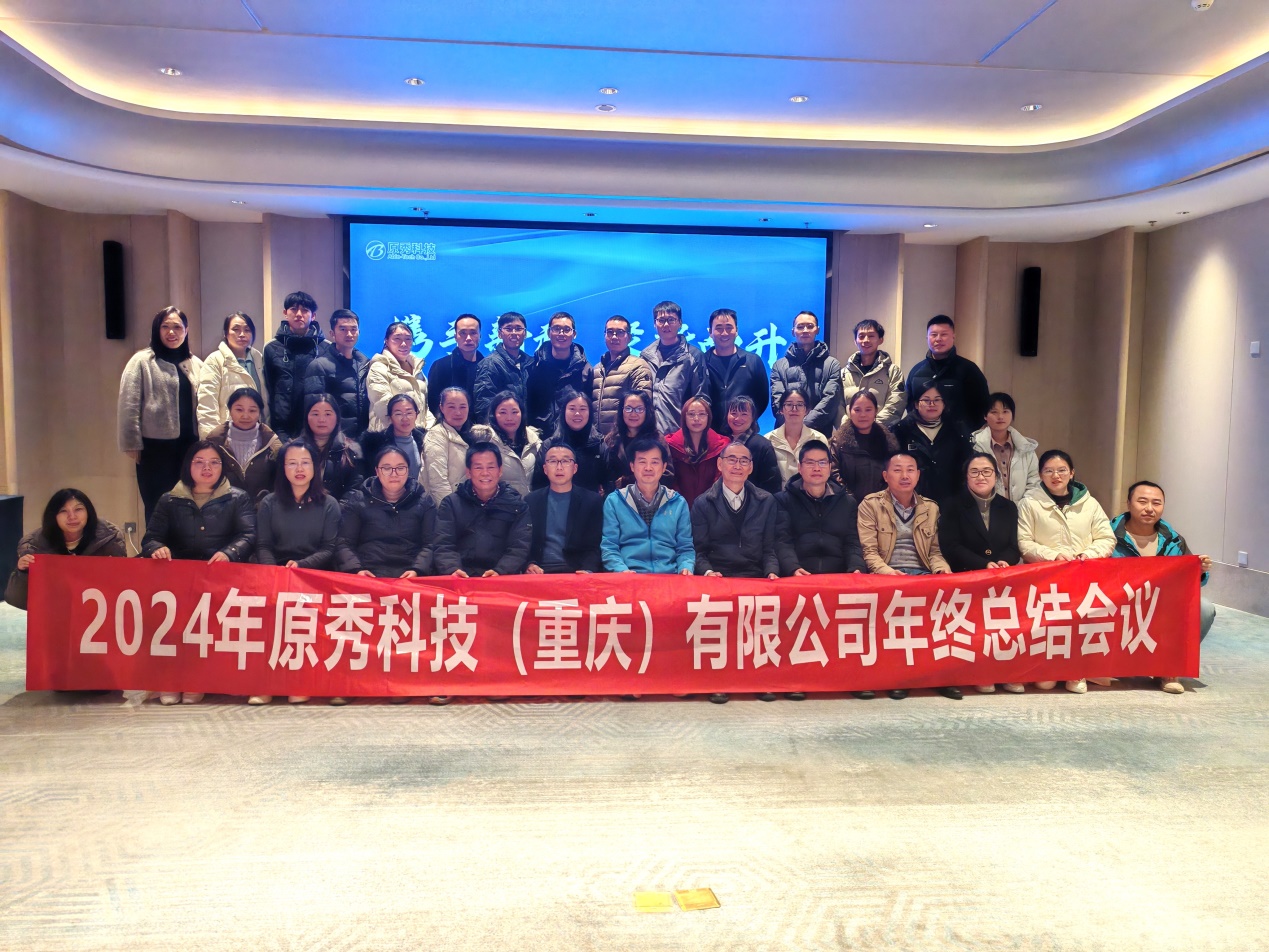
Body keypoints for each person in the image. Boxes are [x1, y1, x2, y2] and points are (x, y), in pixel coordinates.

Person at [142, 441, 256, 704]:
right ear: (188, 466)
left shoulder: (237, 497)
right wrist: (157, 548)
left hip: (221, 578)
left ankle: (197, 680)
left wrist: (230, 552)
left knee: (206, 633)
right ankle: (171, 681)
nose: (207, 468)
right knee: (172, 629)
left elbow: (249, 535)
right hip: (178, 579)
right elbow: (151, 538)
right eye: (200, 462)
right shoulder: (169, 499)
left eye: (214, 462)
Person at [857, 453, 960, 700]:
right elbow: (869, 552)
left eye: (910, 470)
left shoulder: (930, 508)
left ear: (918, 475)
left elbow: (934, 552)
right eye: (897, 470)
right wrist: (889, 573)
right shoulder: (870, 505)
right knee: (898, 619)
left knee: (947, 609)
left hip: (922, 575)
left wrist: (942, 570)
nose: (905, 476)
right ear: (885, 476)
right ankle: (899, 677)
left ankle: (942, 677)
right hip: (887, 575)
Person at [1017, 449, 1116, 694]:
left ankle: (1076, 671)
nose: (1056, 476)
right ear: (1040, 474)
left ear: (1072, 473)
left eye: (1062, 470)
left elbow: (1106, 537)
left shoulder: (1089, 503)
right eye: (1049, 471)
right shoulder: (1029, 503)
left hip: (1084, 576)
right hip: (1046, 578)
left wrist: (1087, 555)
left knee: (1080, 626)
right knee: (1049, 628)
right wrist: (1053, 556)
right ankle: (1047, 670)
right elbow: (1024, 542)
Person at [251, 440, 341, 706]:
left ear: (316, 467)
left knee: (304, 616)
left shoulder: (329, 504)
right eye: (292, 463)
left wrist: (302, 567)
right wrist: (275, 573)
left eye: (305, 463)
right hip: (277, 574)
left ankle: (300, 682)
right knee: (269, 614)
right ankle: (267, 684)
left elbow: (330, 548)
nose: (299, 469)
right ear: (283, 468)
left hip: (314, 576)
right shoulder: (269, 503)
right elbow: (263, 545)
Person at [691, 438, 780, 704]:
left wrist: (772, 572)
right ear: (720, 464)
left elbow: (770, 548)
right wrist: (708, 573)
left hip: (754, 576)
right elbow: (699, 551)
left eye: (743, 461)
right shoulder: (703, 503)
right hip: (718, 578)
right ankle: (720, 681)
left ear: (751, 467)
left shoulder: (766, 501)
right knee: (720, 624)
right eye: (731, 460)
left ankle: (760, 679)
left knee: (763, 621)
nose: (737, 466)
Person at [1110, 480, 1216, 695]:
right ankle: (1111, 664)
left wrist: (1199, 570)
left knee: (1205, 608)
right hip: (1119, 604)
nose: (1149, 508)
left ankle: (1167, 668)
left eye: (1156, 503)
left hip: (1161, 605)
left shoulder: (1173, 539)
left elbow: (1190, 582)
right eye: (1142, 501)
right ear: (1128, 503)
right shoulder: (1107, 536)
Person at [938, 453, 1023, 695]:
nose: (981, 477)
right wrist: (984, 564)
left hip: (1002, 578)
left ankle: (1005, 673)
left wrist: (1004, 562)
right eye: (974, 472)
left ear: (996, 476)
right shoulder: (952, 505)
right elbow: (951, 546)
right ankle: (981, 674)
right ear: (966, 477)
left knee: (1003, 629)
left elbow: (1014, 545)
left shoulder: (1008, 507)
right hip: (967, 577)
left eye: (987, 471)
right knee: (974, 631)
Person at [117, 306, 204, 521]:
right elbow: (129, 404)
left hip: (189, 447)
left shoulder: (195, 364)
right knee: (158, 507)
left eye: (177, 327)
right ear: (157, 330)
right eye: (165, 327)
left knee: (189, 506)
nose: (171, 332)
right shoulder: (141, 361)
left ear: (186, 330)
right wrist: (132, 444)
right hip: (155, 450)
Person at [5, 489, 126, 611]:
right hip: (57, 613)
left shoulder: (110, 538)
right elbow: (17, 601)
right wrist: (22, 573)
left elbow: (121, 587)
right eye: (63, 511)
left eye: (78, 509)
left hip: (98, 610)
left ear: (88, 512)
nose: (72, 517)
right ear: (53, 516)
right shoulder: (34, 545)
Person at [335, 445, 436, 579]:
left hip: (410, 576)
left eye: (400, 468)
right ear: (377, 471)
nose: (394, 474)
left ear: (408, 470)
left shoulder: (424, 502)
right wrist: (356, 569)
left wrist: (418, 570)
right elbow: (344, 542)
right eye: (387, 468)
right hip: (368, 574)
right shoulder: (358, 500)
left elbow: (431, 544)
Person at [600, 436, 696, 576]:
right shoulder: (615, 501)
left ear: (664, 467)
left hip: (669, 577)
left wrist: (685, 567)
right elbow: (610, 546)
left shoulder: (677, 502)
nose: (648, 468)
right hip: (629, 576)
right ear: (632, 466)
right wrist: (622, 570)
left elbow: (685, 547)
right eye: (642, 462)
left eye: (655, 462)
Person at [434, 442, 532, 578]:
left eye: (491, 467)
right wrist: (452, 569)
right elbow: (443, 544)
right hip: (461, 577)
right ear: (468, 472)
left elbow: (519, 546)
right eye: (478, 467)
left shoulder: (517, 505)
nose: (485, 473)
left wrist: (501, 570)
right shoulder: (451, 504)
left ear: (500, 470)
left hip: (502, 578)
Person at [775, 442, 865, 577]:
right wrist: (792, 568)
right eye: (810, 463)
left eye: (822, 463)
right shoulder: (783, 500)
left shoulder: (848, 503)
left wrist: (856, 567)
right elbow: (782, 541)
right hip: (798, 576)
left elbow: (852, 543)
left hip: (838, 576)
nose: (816, 468)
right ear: (799, 468)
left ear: (829, 467)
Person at [526, 442, 604, 574]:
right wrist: (529, 564)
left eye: (565, 461)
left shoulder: (591, 501)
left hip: (576, 572)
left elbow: (594, 546)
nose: (559, 467)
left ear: (575, 468)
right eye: (553, 461)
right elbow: (525, 542)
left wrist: (588, 569)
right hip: (539, 572)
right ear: (545, 469)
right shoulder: (531, 501)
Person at [891, 382, 973, 505]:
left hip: (952, 501)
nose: (932, 404)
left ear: (944, 404)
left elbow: (966, 465)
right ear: (916, 404)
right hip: (912, 501)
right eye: (926, 400)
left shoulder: (957, 430)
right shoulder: (901, 431)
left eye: (937, 400)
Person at [904, 315, 991, 431]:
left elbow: (983, 406)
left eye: (944, 334)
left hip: (960, 437)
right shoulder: (916, 371)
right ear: (927, 337)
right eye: (934, 335)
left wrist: (965, 432)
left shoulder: (969, 369)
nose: (938, 339)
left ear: (953, 336)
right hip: (923, 435)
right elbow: (909, 404)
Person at [262, 291, 325, 440]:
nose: (299, 314)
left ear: (313, 316)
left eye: (305, 310)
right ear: (285, 313)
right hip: (281, 428)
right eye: (294, 309)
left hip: (316, 426)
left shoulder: (325, 348)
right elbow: (268, 388)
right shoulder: (271, 347)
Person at [770, 310, 841, 437]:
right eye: (800, 327)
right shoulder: (779, 366)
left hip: (819, 434)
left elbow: (830, 401)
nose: (805, 330)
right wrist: (794, 426)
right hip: (785, 435)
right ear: (793, 331)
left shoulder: (832, 364)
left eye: (810, 326)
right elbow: (778, 402)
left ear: (817, 330)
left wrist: (803, 426)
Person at [205, 387, 282, 506]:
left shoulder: (272, 444)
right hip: (223, 510)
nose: (245, 416)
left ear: (259, 412)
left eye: (252, 410)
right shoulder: (214, 442)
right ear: (230, 410)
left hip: (263, 510)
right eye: (239, 409)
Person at [196, 311, 267, 437]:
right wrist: (212, 439)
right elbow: (207, 404)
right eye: (236, 329)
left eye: (247, 330)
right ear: (226, 333)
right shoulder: (215, 360)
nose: (242, 334)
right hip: (227, 434)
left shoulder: (258, 358)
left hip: (256, 434)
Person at [640, 300, 706, 436]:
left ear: (680, 323)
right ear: (654, 324)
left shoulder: (693, 356)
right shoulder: (645, 356)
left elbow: (701, 398)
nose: (666, 325)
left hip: (679, 435)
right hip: (647, 434)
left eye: (671, 320)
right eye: (661, 320)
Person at [303, 307, 369, 440]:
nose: (349, 334)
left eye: (353, 329)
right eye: (343, 329)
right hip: (334, 441)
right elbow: (314, 411)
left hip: (362, 440)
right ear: (332, 333)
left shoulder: (365, 364)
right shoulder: (319, 366)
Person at [702, 308, 769, 434]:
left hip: (745, 433)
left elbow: (762, 399)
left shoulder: (752, 361)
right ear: (710, 332)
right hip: (710, 435)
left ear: (736, 330)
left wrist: (744, 421)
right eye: (719, 328)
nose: (724, 333)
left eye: (729, 328)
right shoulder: (701, 362)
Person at [526, 311, 593, 434]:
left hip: (573, 436)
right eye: (556, 329)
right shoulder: (535, 366)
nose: (561, 334)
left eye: (566, 329)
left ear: (574, 334)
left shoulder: (585, 369)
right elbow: (528, 404)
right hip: (540, 436)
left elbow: (590, 408)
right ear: (549, 333)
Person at [971, 392, 1041, 503]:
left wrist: (1023, 507)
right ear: (985, 416)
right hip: (986, 509)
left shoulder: (1025, 447)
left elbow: (1034, 481)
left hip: (1022, 510)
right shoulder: (974, 446)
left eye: (1005, 411)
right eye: (994, 412)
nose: (1000, 417)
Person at [830, 390, 900, 502]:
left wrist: (878, 502)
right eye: (857, 410)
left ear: (876, 411)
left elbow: (894, 473)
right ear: (849, 411)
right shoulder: (838, 441)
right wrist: (849, 500)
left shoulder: (888, 441)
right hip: (846, 504)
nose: (863, 415)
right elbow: (833, 474)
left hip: (881, 504)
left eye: (868, 410)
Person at [366, 321, 435, 433]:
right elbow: (382, 403)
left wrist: (429, 430)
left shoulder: (417, 369)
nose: (403, 344)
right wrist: (407, 431)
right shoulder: (379, 367)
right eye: (397, 339)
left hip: (418, 435)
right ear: (386, 341)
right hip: (388, 435)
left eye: (408, 339)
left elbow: (424, 406)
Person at [530, 388, 603, 492]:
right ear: (563, 412)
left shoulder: (598, 444)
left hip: (591, 501)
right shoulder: (549, 445)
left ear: (590, 413)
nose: (577, 413)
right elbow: (539, 485)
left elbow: (608, 482)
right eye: (572, 409)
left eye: (582, 409)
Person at [592, 314, 652, 437]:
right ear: (604, 336)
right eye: (610, 332)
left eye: (620, 332)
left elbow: (642, 406)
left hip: (624, 439)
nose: (614, 336)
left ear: (629, 337)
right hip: (597, 441)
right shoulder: (597, 369)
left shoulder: (638, 366)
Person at [665, 395, 728, 508]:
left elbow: (721, 480)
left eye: (702, 414)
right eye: (691, 414)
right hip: (677, 507)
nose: (696, 418)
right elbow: (669, 479)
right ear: (684, 417)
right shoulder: (669, 444)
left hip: (711, 508)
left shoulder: (723, 445)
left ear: (709, 417)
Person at [841, 319, 905, 427]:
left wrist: (872, 428)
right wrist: (849, 426)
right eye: (861, 336)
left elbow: (896, 404)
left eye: (871, 336)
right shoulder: (843, 373)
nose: (866, 340)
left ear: (880, 340)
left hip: (882, 433)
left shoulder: (893, 371)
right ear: (855, 341)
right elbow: (837, 407)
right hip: (849, 433)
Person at [299, 393, 363, 500]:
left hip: (339, 509)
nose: (321, 420)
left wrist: (333, 509)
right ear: (306, 418)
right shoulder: (293, 450)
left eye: (328, 414)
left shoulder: (352, 451)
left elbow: (354, 491)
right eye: (315, 414)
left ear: (337, 417)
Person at [765, 386, 828, 488]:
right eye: (789, 404)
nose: (794, 409)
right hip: (777, 496)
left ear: (807, 410)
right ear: (781, 409)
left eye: (800, 405)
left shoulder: (819, 439)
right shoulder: (768, 440)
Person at [473, 311, 531, 421]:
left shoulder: (530, 363)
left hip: (526, 427)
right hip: (502, 426)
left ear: (525, 333)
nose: (514, 333)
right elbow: (484, 405)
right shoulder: (490, 363)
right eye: (508, 329)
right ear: (500, 334)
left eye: (518, 328)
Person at [423, 386, 477, 504]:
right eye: (451, 407)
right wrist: (450, 510)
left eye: (463, 407)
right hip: (448, 507)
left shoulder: (473, 434)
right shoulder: (436, 435)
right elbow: (438, 483)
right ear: (441, 408)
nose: (458, 412)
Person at [482, 391, 540, 497]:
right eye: (503, 412)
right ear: (494, 415)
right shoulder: (485, 442)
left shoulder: (534, 441)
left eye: (514, 412)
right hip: (499, 505)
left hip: (531, 504)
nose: (509, 418)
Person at [426, 313, 484, 420]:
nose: (468, 338)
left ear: (480, 336)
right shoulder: (440, 366)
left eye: (473, 333)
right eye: (463, 333)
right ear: (455, 337)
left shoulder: (487, 366)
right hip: (449, 426)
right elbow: (433, 403)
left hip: (482, 427)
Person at [722, 396, 783, 494]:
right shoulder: (720, 442)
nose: (738, 418)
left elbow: (772, 484)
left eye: (744, 414)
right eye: (733, 413)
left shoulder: (762, 445)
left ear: (753, 417)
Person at [361, 394, 426, 484]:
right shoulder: (375, 446)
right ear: (390, 417)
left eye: (409, 413)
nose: (405, 418)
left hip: (418, 491)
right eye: (398, 414)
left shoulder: (425, 440)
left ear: (416, 415)